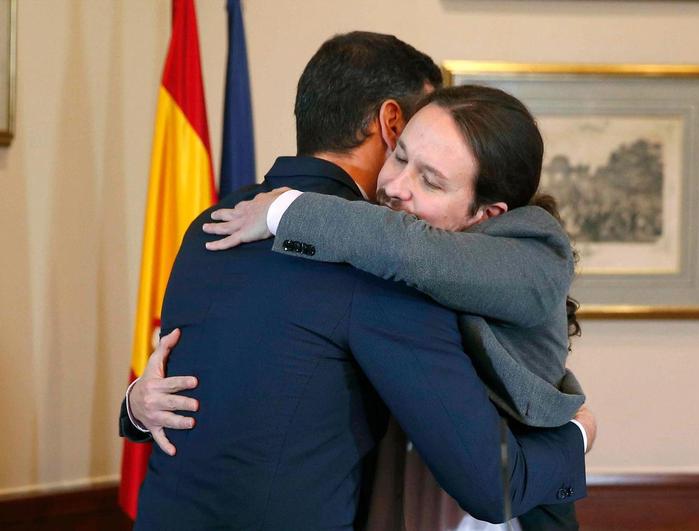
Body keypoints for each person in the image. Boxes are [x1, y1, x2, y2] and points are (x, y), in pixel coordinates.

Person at [120, 32, 592, 530]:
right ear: (391, 125)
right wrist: (579, 437)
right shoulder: (375, 270)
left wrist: (134, 405)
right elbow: (490, 484)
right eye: (404, 154)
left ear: (487, 213)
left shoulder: (211, 223)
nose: (396, 186)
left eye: (431, 179)